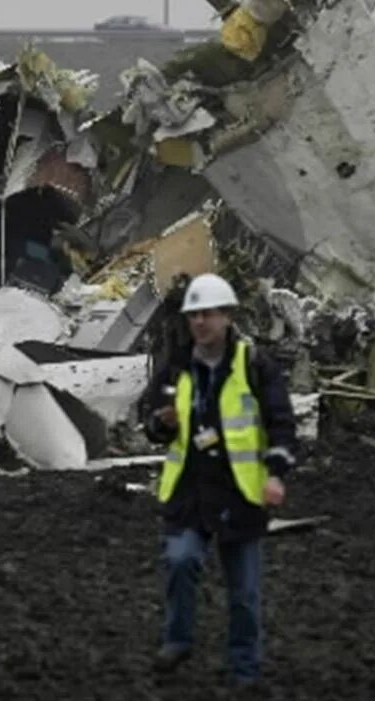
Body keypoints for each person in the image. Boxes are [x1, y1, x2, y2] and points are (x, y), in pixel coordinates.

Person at [140, 272, 299, 689]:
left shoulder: (254, 366)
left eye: (208, 314)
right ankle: (178, 641)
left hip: (240, 493)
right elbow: (151, 426)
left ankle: (244, 670)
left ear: (227, 316)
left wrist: (276, 475)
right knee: (180, 561)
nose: (200, 322)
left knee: (244, 593)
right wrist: (161, 422)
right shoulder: (175, 368)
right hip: (189, 492)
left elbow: (281, 424)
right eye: (194, 315)